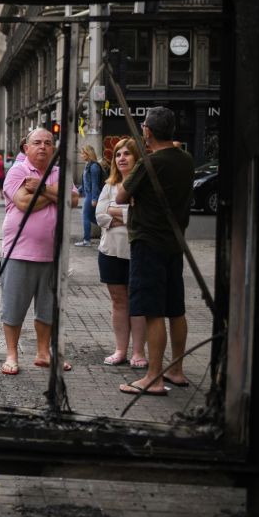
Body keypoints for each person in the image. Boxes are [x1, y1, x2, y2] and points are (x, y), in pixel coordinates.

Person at [116, 106, 195, 396]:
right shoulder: (185, 159)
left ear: (147, 131)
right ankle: (176, 370)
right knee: (176, 309)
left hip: (148, 242)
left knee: (152, 310)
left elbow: (123, 194)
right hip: (175, 242)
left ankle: (153, 377)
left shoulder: (150, 163)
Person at [0, 128, 79, 375]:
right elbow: (24, 202)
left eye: (48, 142)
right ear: (26, 148)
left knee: (47, 308)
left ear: (53, 148)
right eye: (37, 143)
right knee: (14, 307)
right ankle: (12, 354)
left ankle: (44, 353)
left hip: (53, 254)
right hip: (19, 252)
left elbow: (74, 200)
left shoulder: (58, 173)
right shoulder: (17, 171)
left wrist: (41, 188)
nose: (43, 147)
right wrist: (57, 194)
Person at [96, 138, 148, 369]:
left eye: (127, 153)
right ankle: (120, 350)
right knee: (118, 302)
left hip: (137, 251)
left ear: (136, 157)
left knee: (137, 302)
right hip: (110, 251)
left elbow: (142, 218)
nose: (122, 158)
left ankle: (138, 352)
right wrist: (125, 214)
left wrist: (116, 214)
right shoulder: (109, 186)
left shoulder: (143, 185)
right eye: (118, 154)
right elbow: (99, 216)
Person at [76, 145, 106, 246]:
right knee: (92, 217)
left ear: (88, 154)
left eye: (83, 153)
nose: (81, 155)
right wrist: (77, 191)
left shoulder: (94, 166)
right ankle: (107, 226)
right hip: (88, 194)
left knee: (86, 216)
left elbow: (95, 183)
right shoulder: (88, 165)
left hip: (91, 196)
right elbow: (85, 183)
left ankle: (87, 240)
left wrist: (94, 198)